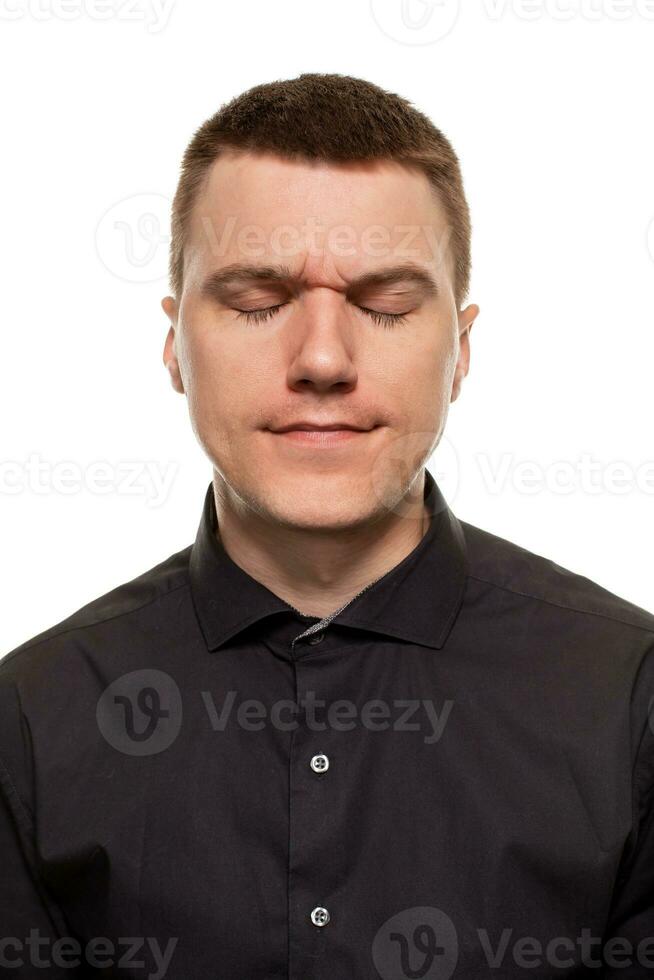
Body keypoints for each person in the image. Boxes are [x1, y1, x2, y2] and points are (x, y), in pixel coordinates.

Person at [1, 72, 653, 979]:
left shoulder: (634, 699)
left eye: (384, 304)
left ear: (461, 349)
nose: (320, 359)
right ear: (172, 344)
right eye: (258, 301)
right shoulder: (27, 721)